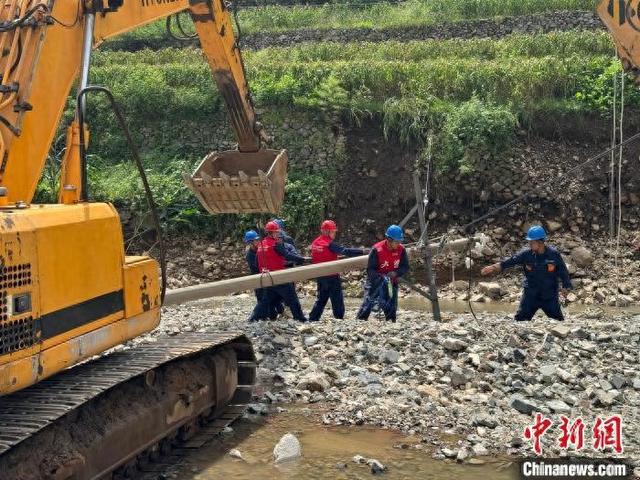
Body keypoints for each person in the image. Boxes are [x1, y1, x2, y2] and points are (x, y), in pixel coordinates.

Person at [481, 225, 572, 322]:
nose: (529, 244)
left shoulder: (553, 254)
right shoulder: (526, 254)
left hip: (549, 296)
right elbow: (510, 261)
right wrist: (493, 267)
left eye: (531, 242)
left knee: (558, 322)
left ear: (540, 242)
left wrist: (566, 286)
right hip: (530, 296)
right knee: (520, 321)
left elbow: (563, 271)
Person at [308, 220, 365, 322]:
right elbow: (344, 251)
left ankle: (313, 318)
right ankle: (339, 318)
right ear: (326, 231)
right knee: (337, 299)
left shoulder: (315, 243)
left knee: (321, 298)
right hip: (331, 276)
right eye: (333, 232)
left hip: (320, 275)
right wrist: (362, 251)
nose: (335, 234)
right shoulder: (329, 244)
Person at [256, 221, 309, 322]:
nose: (278, 234)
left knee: (266, 301)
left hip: (267, 276)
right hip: (279, 276)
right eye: (276, 232)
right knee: (293, 299)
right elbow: (287, 255)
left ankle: (253, 319)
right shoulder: (275, 244)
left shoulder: (262, 244)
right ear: (271, 233)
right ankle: (300, 318)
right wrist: (301, 259)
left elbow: (257, 261)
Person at [356, 225, 409, 322]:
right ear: (389, 239)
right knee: (368, 303)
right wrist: (381, 277)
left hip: (391, 282)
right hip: (375, 281)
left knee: (391, 307)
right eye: (396, 242)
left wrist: (396, 273)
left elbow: (405, 267)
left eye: (399, 241)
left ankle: (391, 322)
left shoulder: (401, 250)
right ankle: (360, 321)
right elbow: (370, 270)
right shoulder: (376, 249)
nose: (398, 244)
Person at [244, 230, 283, 322]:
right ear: (250, 243)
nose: (258, 242)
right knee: (262, 299)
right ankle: (255, 318)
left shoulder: (260, 249)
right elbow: (257, 266)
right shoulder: (250, 254)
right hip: (258, 279)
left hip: (265, 277)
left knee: (271, 297)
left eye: (258, 239)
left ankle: (274, 314)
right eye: (256, 240)